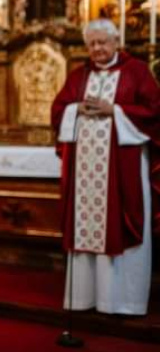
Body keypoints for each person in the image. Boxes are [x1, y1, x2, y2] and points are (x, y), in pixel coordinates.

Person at [51, 18, 160, 315]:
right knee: (85, 227)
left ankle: (123, 302)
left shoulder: (136, 71)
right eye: (92, 44)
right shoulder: (78, 76)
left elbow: (154, 112)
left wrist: (116, 111)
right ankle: (84, 298)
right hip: (85, 175)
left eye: (103, 42)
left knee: (122, 223)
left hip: (124, 170)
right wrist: (76, 109)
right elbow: (58, 110)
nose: (97, 49)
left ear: (116, 42)